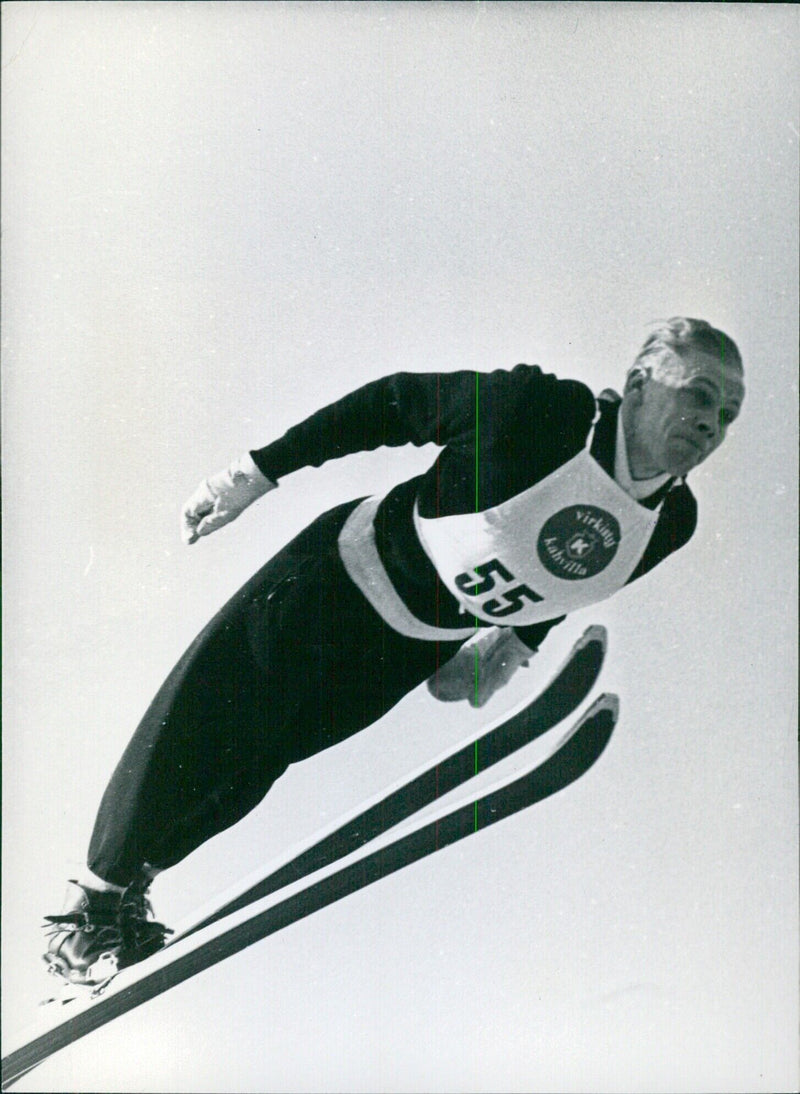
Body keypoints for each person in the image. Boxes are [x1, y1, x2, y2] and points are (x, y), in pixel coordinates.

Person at [43, 317, 745, 985]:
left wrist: (511, 648)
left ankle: (131, 890)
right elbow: (390, 403)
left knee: (258, 761)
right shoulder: (543, 411)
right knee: (204, 721)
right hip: (333, 582)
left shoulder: (669, 522)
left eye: (728, 414)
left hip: (402, 652)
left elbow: (569, 576)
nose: (711, 423)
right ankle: (90, 906)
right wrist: (255, 473)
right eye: (700, 394)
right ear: (643, 381)